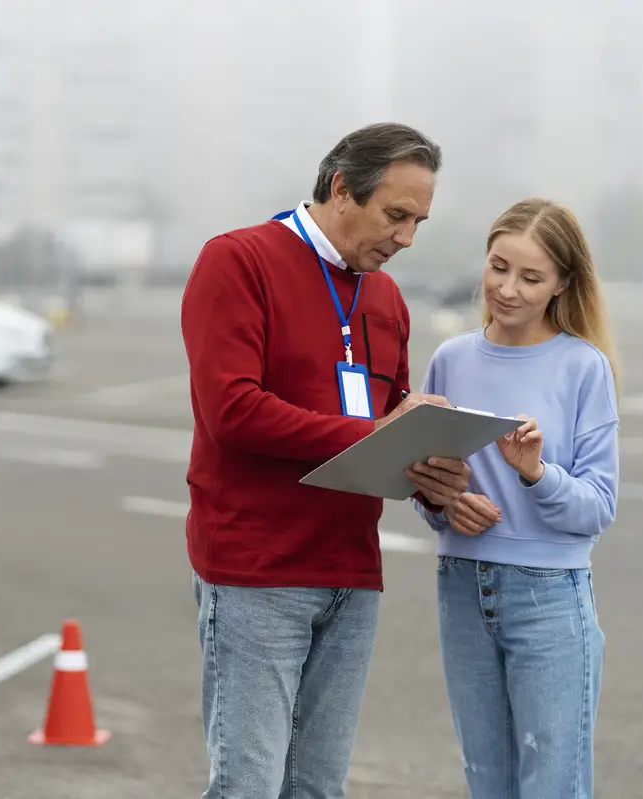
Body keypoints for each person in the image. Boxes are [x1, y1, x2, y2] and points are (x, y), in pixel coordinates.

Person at [180, 122, 472, 798]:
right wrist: (373, 430)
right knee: (248, 785)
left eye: (419, 221)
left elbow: (394, 429)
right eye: (396, 215)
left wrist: (435, 477)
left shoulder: (387, 297)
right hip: (257, 571)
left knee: (317, 789)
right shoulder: (237, 260)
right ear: (342, 188)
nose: (407, 238)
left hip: (351, 571)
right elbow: (232, 410)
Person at [411, 197, 620, 798]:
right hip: (461, 586)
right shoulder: (450, 359)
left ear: (561, 284)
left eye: (531, 278)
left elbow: (598, 506)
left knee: (552, 782)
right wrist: (443, 504)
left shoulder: (584, 367)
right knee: (488, 781)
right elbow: (425, 479)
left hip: (549, 598)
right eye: (498, 266)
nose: (508, 288)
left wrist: (536, 473)